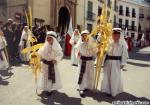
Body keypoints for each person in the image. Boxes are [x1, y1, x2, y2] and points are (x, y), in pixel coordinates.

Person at [101, 28, 128, 97]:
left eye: (117, 36)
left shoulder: (122, 45)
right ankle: (108, 90)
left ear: (119, 36)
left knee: (115, 77)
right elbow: (105, 53)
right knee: (107, 76)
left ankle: (114, 91)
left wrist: (122, 63)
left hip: (117, 63)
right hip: (108, 62)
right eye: (114, 35)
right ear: (112, 36)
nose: (115, 37)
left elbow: (124, 55)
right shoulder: (108, 43)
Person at [37, 31, 63, 96]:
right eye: (47, 38)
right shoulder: (45, 46)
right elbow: (40, 53)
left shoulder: (57, 47)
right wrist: (37, 57)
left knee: (50, 78)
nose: (48, 40)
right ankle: (44, 87)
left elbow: (60, 54)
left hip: (52, 65)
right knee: (44, 76)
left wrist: (56, 59)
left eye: (50, 38)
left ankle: (49, 89)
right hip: (45, 64)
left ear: (53, 39)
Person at [76, 30, 98, 97]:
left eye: (86, 36)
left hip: (90, 62)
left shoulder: (92, 44)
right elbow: (76, 52)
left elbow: (95, 53)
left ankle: (88, 86)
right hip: (82, 62)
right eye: (83, 36)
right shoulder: (80, 44)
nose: (84, 37)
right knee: (82, 75)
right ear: (81, 37)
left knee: (89, 75)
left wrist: (99, 52)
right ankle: (81, 88)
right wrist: (78, 54)